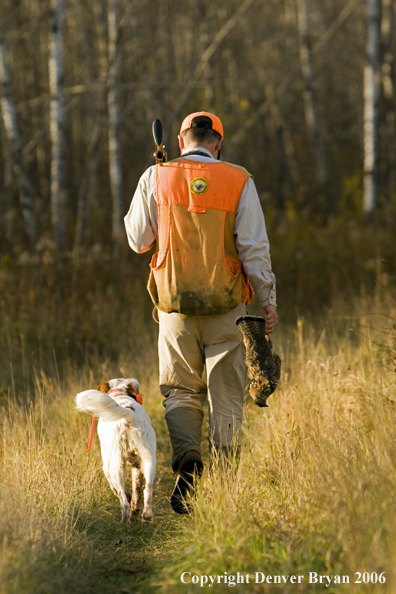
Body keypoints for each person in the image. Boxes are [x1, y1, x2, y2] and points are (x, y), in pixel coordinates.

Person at [124, 111, 277, 514]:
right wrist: (268, 299)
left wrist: (156, 187)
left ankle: (188, 459)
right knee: (226, 392)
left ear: (180, 140)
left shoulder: (155, 176)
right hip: (227, 306)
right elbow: (254, 249)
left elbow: (137, 239)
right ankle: (225, 486)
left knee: (180, 391)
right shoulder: (238, 180)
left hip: (174, 308)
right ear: (218, 143)